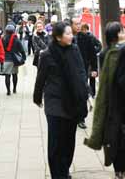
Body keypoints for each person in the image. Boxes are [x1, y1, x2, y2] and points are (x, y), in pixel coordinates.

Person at [33, 21, 88, 179]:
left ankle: (64, 169)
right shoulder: (46, 54)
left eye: (72, 33)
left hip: (72, 102)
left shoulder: (74, 50)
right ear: (58, 37)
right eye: (68, 33)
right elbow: (40, 78)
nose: (71, 36)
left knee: (69, 141)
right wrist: (37, 98)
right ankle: (57, 174)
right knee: (56, 142)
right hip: (55, 103)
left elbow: (81, 72)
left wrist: (84, 93)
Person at [84, 21, 125, 179]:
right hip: (116, 100)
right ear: (115, 35)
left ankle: (124, 169)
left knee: (122, 135)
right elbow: (109, 78)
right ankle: (120, 170)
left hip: (119, 99)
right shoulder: (107, 54)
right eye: (122, 30)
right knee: (117, 136)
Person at [71, 17, 98, 129]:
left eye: (79, 24)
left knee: (82, 94)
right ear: (71, 25)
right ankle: (72, 115)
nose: (78, 26)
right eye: (76, 24)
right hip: (69, 71)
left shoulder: (86, 38)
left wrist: (94, 69)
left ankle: (81, 118)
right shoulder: (68, 38)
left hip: (83, 69)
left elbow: (92, 54)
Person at [2, 24, 26, 95]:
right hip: (14, 60)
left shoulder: (3, 39)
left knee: (7, 75)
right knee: (14, 74)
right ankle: (14, 89)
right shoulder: (16, 39)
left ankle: (8, 90)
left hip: (6, 59)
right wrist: (23, 57)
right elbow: (21, 50)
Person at [81, 22, 102, 97]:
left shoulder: (92, 37)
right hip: (84, 60)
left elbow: (99, 45)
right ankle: (86, 92)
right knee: (85, 76)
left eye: (83, 29)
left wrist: (94, 51)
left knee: (92, 77)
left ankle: (92, 93)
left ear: (86, 29)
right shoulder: (80, 37)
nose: (83, 31)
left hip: (91, 60)